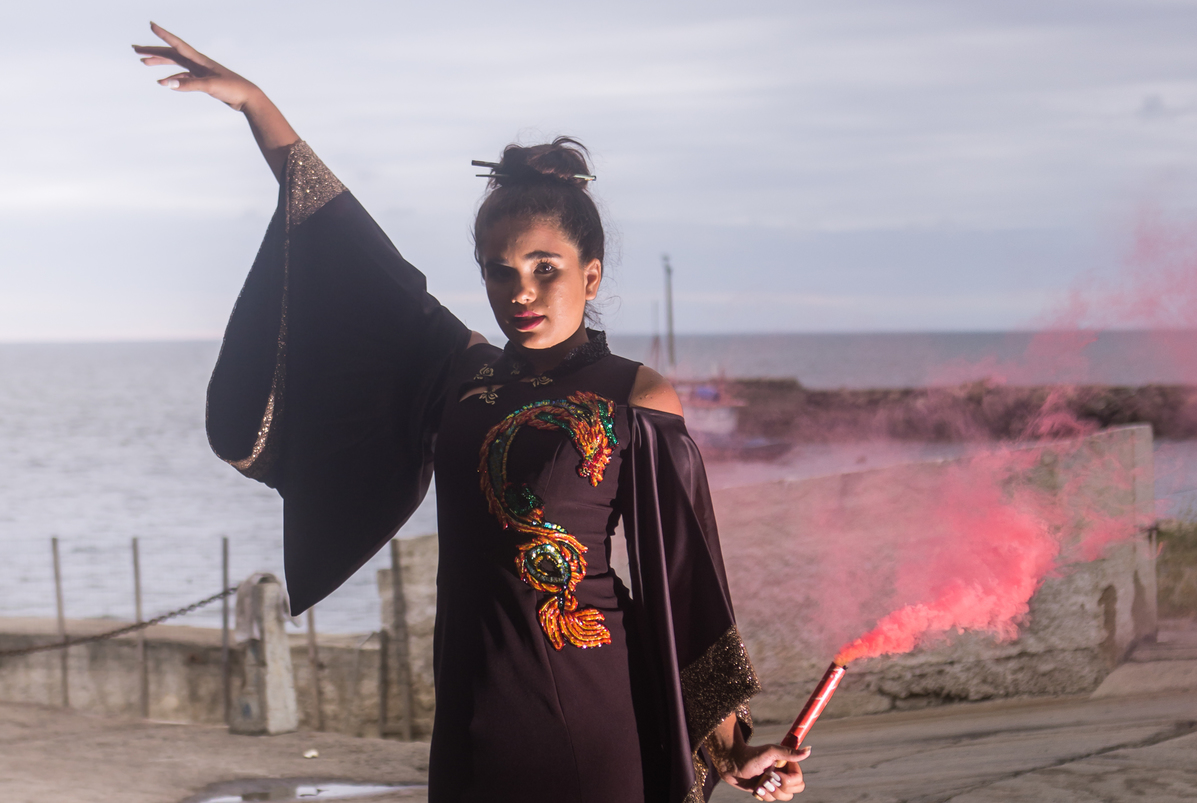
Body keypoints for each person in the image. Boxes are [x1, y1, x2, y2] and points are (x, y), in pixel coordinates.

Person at [134, 22, 810, 803]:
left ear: (590, 276)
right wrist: (257, 105)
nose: (520, 291)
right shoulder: (461, 371)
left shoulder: (635, 397)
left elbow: (684, 581)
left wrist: (733, 744)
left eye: (545, 268)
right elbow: (349, 248)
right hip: (469, 713)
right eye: (499, 271)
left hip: (591, 713)